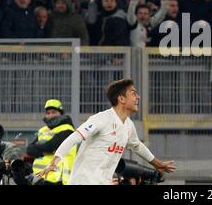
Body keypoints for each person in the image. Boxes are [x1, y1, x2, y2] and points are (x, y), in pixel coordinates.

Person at [37, 79, 176, 185]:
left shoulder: (128, 125)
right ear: (121, 99)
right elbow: (74, 138)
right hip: (84, 181)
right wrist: (55, 161)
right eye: (133, 93)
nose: (138, 97)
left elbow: (137, 146)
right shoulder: (101, 119)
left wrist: (157, 164)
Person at [26, 99, 77, 185]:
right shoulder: (42, 130)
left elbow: (50, 146)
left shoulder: (67, 129)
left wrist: (39, 148)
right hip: (40, 176)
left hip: (58, 178)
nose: (50, 115)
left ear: (60, 114)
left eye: (54, 112)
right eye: (48, 113)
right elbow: (29, 150)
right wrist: (44, 149)